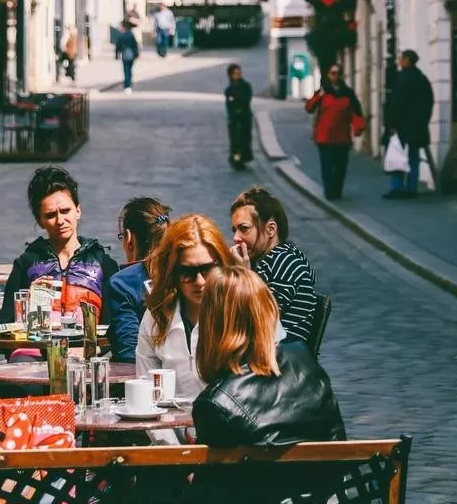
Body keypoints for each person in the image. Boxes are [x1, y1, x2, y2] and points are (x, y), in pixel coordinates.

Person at [192, 266, 346, 447]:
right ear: (265, 312)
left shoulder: (215, 405)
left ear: (211, 324)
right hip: (324, 475)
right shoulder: (304, 360)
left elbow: (211, 475)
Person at [0, 166, 119, 332]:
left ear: (78, 211)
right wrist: (27, 301)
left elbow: (114, 326)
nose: (60, 220)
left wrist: (95, 348)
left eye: (65, 211)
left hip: (88, 352)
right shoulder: (25, 264)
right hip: (36, 350)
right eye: (50, 215)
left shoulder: (103, 264)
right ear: (40, 221)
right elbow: (4, 325)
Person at [136, 214, 235, 404]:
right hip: (170, 430)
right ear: (172, 272)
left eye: (207, 270)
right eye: (187, 272)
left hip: (235, 430)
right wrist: (166, 435)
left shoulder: (244, 307)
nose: (200, 281)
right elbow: (146, 394)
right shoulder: (156, 315)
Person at [230, 187, 317, 343]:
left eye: (244, 229)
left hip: (280, 357)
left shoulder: (286, 262)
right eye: (234, 230)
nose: (236, 237)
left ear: (270, 229)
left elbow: (261, 321)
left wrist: (244, 275)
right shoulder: (263, 261)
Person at [108, 197, 172, 363]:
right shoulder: (185, 273)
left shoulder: (122, 282)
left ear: (129, 239)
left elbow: (127, 352)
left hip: (141, 379)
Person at [304, 62, 364, 201]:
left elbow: (356, 111)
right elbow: (309, 107)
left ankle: (338, 189)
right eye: (333, 73)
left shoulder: (348, 93)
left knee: (341, 166)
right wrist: (319, 96)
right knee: (327, 165)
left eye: (338, 73)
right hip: (324, 136)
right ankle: (329, 191)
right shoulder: (323, 92)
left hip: (342, 136)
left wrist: (358, 128)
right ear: (328, 75)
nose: (336, 76)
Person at [384, 49, 435, 199]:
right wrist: (424, 120)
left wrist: (391, 122)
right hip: (418, 125)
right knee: (413, 156)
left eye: (401, 58)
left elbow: (397, 103)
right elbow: (429, 101)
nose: (399, 61)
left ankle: (397, 186)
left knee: (397, 155)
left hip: (401, 124)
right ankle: (412, 187)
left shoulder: (401, 79)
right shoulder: (422, 79)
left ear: (407, 60)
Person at [224, 64, 254, 170]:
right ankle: (237, 160)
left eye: (239, 72)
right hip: (234, 120)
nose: (238, 74)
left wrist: (240, 108)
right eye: (236, 73)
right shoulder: (229, 89)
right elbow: (229, 104)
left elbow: (247, 99)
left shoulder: (246, 86)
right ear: (231, 75)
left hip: (245, 118)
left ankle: (244, 158)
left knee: (244, 140)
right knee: (235, 143)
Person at [115, 22, 140, 94]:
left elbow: (118, 46)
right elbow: (135, 45)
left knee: (126, 70)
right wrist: (137, 54)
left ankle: (127, 85)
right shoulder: (131, 35)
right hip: (131, 55)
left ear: (123, 28)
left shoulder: (121, 36)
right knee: (129, 70)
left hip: (125, 55)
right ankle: (129, 83)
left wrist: (116, 55)